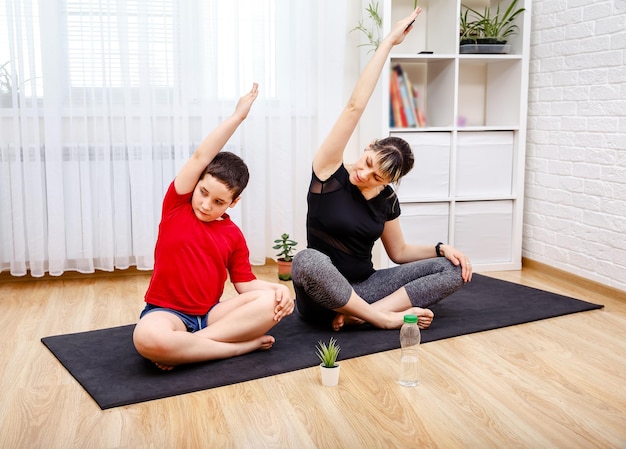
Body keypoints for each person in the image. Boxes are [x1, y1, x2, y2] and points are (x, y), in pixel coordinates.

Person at [291, 8, 472, 332]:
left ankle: (361, 314)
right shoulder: (328, 172)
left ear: (390, 182)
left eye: (378, 177)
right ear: (369, 147)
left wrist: (441, 248)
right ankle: (383, 319)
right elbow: (354, 106)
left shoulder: (386, 198)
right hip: (322, 296)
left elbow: (399, 252)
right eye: (368, 163)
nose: (365, 174)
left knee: (454, 268)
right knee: (307, 260)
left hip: (367, 288)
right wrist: (389, 42)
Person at [133, 83, 295, 370]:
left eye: (219, 201)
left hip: (211, 317)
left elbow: (245, 284)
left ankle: (188, 348)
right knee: (146, 339)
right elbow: (200, 157)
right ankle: (236, 349)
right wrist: (237, 117)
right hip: (166, 313)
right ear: (196, 184)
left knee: (274, 302)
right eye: (203, 193)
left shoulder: (232, 235)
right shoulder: (176, 206)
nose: (206, 205)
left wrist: (278, 289)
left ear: (233, 202)